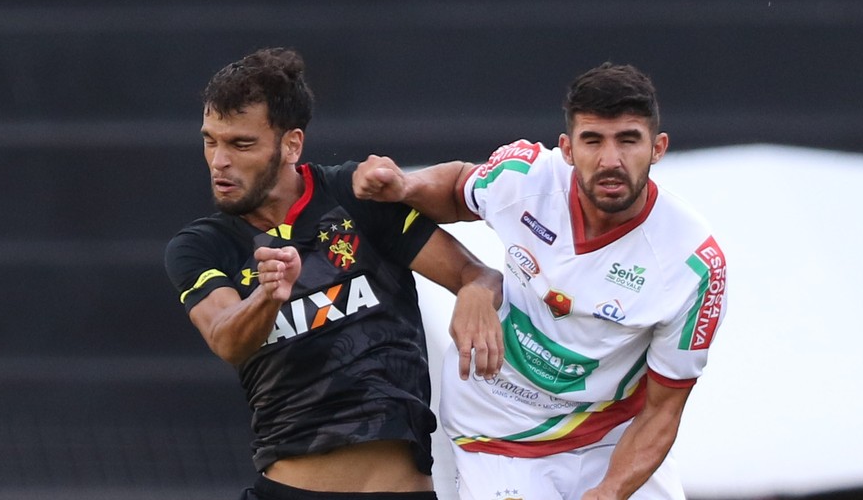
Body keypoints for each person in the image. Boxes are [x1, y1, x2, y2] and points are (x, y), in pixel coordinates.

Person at [353, 62, 727, 500]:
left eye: (628, 140)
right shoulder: (525, 177)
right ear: (567, 148)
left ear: (658, 147)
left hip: (612, 436)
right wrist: (406, 185)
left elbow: (664, 411)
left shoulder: (694, 264)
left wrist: (606, 494)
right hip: (496, 431)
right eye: (593, 140)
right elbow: (458, 188)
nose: (611, 160)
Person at [164, 47, 504, 500]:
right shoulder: (202, 246)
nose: (219, 161)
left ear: (291, 144)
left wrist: (477, 292)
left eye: (241, 144)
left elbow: (475, 273)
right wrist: (267, 297)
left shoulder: (354, 196)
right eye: (211, 140)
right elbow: (227, 339)